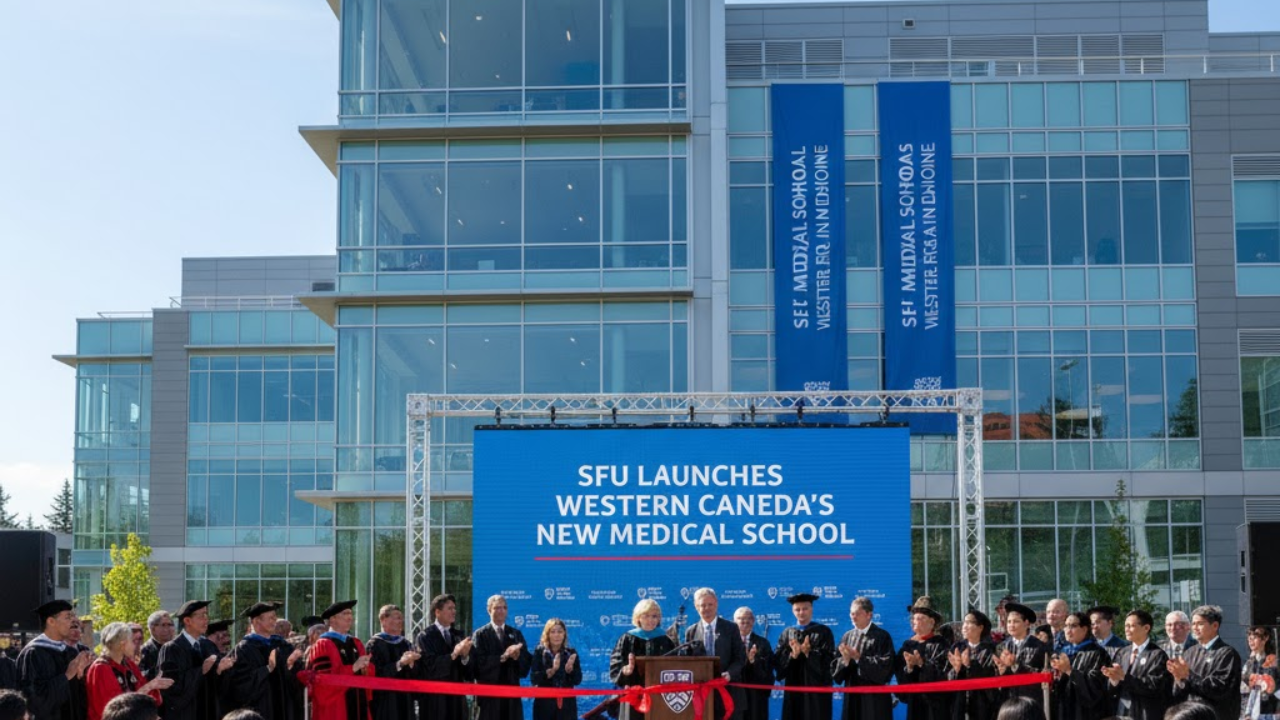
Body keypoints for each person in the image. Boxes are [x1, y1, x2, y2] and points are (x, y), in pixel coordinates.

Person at [224, 601, 304, 720]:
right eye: (270, 618)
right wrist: (267, 669)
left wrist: (294, 665)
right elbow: (240, 687)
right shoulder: (243, 650)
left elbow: (296, 678)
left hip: (284, 709)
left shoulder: (282, 645)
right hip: (260, 710)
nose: (274, 621)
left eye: (275, 617)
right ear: (256, 621)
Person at [17, 599, 94, 720]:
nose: (73, 621)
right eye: (67, 617)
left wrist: (82, 675)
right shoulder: (33, 653)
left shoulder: (71, 652)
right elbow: (34, 700)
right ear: (51, 621)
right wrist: (67, 676)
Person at [157, 600, 234, 720]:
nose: (206, 619)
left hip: (209, 713)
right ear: (187, 621)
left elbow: (218, 689)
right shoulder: (172, 648)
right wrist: (200, 671)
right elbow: (170, 688)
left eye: (206, 614)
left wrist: (220, 671)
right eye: (201, 615)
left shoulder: (208, 645)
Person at [1166, 605, 1242, 720]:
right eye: (1193, 624)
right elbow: (1180, 693)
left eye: (1200, 624)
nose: (1195, 628)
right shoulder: (1189, 652)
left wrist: (1187, 675)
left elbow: (1219, 689)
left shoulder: (1227, 654)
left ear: (1215, 625)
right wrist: (1178, 679)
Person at [85, 623, 172, 720]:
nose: (136, 645)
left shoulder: (128, 664)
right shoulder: (101, 668)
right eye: (132, 641)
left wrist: (154, 686)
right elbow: (114, 710)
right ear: (122, 644)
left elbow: (151, 698)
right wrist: (149, 686)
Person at [609, 598, 676, 720]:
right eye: (646, 616)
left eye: (654, 616)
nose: (650, 620)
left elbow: (675, 667)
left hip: (660, 695)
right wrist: (625, 671)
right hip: (634, 695)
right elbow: (615, 667)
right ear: (638, 617)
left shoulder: (666, 640)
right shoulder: (627, 639)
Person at [684, 589, 745, 720]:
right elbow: (687, 661)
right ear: (696, 607)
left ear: (716, 604)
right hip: (701, 695)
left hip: (728, 691)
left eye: (710, 604)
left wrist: (729, 674)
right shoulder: (691, 632)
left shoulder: (731, 628)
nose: (706, 608)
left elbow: (740, 658)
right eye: (702, 605)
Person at [773, 592, 835, 720]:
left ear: (811, 609)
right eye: (797, 609)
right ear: (792, 611)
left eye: (805, 608)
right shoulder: (787, 633)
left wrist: (808, 654)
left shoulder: (823, 632)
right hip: (793, 689)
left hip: (816, 691)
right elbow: (779, 664)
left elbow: (829, 663)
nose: (801, 612)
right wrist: (792, 656)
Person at [307, 600, 372, 720]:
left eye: (350, 614)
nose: (350, 617)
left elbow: (367, 680)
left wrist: (367, 668)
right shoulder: (323, 645)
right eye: (345, 614)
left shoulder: (356, 643)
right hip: (336, 708)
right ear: (332, 620)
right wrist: (353, 668)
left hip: (359, 704)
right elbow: (323, 682)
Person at [832, 595, 893, 720]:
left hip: (874, 698)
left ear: (869, 615)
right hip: (852, 694)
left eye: (857, 614)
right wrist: (846, 661)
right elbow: (835, 670)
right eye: (851, 614)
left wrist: (859, 658)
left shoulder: (882, 636)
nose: (853, 617)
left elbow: (886, 667)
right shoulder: (847, 637)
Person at [1101, 609, 1169, 720]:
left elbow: (1154, 686)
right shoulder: (1122, 652)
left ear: (1146, 628)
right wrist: (1113, 680)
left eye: (1131, 626)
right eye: (1126, 626)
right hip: (1121, 710)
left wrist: (1124, 677)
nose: (1127, 629)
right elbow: (1111, 687)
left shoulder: (1158, 655)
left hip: (1145, 712)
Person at [415, 594, 473, 720]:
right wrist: (453, 654)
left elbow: (468, 673)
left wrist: (465, 657)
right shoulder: (425, 636)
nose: (454, 611)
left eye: (454, 608)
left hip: (456, 699)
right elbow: (429, 667)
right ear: (437, 612)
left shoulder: (459, 635)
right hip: (435, 700)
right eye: (450, 608)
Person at [471, 595, 530, 720]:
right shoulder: (480, 634)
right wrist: (502, 657)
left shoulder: (515, 634)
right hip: (489, 697)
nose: (501, 611)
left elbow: (525, 666)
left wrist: (517, 656)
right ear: (489, 610)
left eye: (504, 607)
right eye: (497, 607)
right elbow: (477, 665)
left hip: (511, 695)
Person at [896, 596, 950, 720]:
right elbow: (899, 672)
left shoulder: (941, 644)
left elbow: (943, 673)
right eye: (914, 618)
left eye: (920, 618)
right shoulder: (907, 645)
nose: (915, 621)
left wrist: (921, 664)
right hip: (915, 702)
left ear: (932, 622)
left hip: (934, 705)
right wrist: (909, 668)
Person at [1048, 612, 1108, 720]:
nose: (1067, 630)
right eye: (1066, 625)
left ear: (1084, 629)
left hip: (1085, 713)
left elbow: (1095, 687)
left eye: (1073, 626)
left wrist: (1070, 671)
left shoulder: (1097, 653)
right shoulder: (1062, 652)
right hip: (1063, 711)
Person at [365, 605, 419, 720]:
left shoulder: (406, 644)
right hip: (385, 701)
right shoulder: (374, 644)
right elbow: (376, 674)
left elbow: (415, 676)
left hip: (405, 700)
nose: (400, 621)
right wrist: (400, 663)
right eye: (396, 617)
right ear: (383, 620)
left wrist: (412, 664)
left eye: (401, 618)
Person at [994, 602, 1049, 711]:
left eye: (1016, 621)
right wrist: (1001, 670)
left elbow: (1041, 674)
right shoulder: (1001, 647)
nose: (1011, 625)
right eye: (1009, 622)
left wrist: (1016, 665)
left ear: (1027, 623)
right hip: (1008, 702)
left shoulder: (1039, 647)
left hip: (1031, 701)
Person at [949, 609, 1001, 720]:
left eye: (969, 622)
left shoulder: (991, 649)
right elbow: (947, 676)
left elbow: (994, 676)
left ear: (980, 628)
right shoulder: (956, 648)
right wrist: (957, 670)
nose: (964, 626)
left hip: (983, 703)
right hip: (960, 702)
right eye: (964, 622)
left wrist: (970, 665)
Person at [529, 618, 581, 720]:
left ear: (564, 634)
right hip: (544, 706)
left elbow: (577, 680)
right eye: (553, 632)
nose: (556, 635)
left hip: (567, 707)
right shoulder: (540, 652)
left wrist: (570, 670)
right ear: (547, 634)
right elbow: (534, 679)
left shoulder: (571, 653)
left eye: (560, 631)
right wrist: (551, 671)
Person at [732, 607, 772, 720]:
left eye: (748, 619)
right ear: (734, 622)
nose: (744, 622)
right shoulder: (729, 642)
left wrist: (753, 661)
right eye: (740, 619)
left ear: (753, 621)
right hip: (734, 695)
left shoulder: (763, 643)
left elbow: (767, 673)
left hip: (756, 698)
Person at [1240, 626, 1277, 717]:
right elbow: (1244, 690)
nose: (1250, 641)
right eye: (1249, 638)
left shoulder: (1272, 661)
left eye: (1254, 637)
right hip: (1249, 711)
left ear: (1265, 638)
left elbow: (1271, 688)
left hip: (1267, 712)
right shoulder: (1249, 662)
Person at [138, 613, 173, 682]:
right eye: (163, 625)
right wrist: (159, 670)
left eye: (170, 625)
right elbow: (139, 676)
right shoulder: (144, 650)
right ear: (152, 629)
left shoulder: (176, 648)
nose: (168, 629)